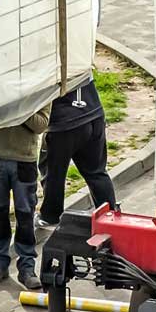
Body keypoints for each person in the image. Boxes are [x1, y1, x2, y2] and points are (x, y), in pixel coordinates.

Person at [0, 104, 50, 290]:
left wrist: (19, 105)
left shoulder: (38, 87)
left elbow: (41, 125)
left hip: (24, 159)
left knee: (25, 214)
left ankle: (27, 267)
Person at [38, 80, 117, 227]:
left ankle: (50, 215)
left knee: (53, 172)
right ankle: (110, 215)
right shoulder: (78, 58)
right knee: (96, 171)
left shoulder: (49, 60)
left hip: (63, 122)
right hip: (93, 112)